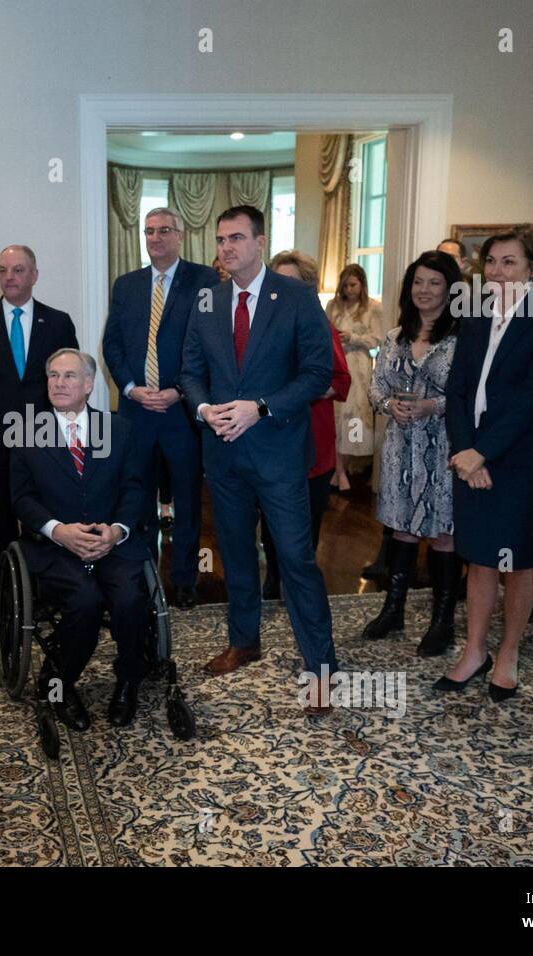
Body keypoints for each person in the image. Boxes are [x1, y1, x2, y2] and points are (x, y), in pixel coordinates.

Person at [178, 206, 337, 713]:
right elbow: (190, 370)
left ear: (260, 241)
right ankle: (244, 641)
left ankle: (321, 669)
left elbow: (317, 374)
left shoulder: (295, 297)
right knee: (235, 553)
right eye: (221, 240)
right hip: (223, 453)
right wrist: (204, 409)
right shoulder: (207, 300)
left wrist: (261, 408)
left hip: (279, 453)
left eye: (237, 238)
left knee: (295, 559)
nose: (227, 248)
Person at [441, 225, 533, 700]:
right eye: (491, 262)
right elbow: (456, 388)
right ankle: (474, 651)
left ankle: (509, 654)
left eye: (509, 262)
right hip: (470, 456)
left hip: (522, 460)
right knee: (478, 558)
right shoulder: (474, 315)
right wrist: (465, 452)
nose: (496, 271)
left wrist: (485, 451)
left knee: (518, 562)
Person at [10, 349, 149, 728]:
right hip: (56, 547)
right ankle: (58, 683)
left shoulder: (118, 430)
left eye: (69, 376)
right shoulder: (27, 432)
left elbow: (135, 488)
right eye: (53, 375)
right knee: (85, 600)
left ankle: (127, 682)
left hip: (111, 541)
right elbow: (22, 498)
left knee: (130, 599)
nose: (59, 383)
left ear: (89, 385)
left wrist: (117, 530)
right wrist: (58, 530)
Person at [102, 207, 218, 608]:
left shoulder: (204, 280)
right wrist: (131, 389)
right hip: (136, 412)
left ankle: (184, 579)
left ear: (180, 235)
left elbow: (208, 343)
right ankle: (144, 577)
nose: (155, 238)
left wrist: (180, 391)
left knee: (187, 499)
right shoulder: (127, 284)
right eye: (149, 231)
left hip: (181, 411)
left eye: (164, 230)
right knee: (137, 498)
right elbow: (112, 344)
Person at [0, 245, 79, 572]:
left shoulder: (59, 322)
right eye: (3, 270)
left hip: (45, 445)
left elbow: (73, 384)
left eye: (18, 270)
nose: (9, 277)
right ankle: (10, 605)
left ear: (34, 275)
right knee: (2, 529)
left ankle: (46, 594)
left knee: (44, 527)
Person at [363, 251, 462, 655]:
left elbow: (470, 396)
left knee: (442, 535)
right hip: (401, 448)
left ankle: (443, 621)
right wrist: (389, 406)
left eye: (434, 282)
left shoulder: (463, 339)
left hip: (444, 449)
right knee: (401, 528)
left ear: (450, 288)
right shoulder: (393, 337)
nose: (424, 290)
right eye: (418, 282)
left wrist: (431, 406)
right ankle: (394, 608)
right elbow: (375, 388)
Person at [260, 250, 350, 601]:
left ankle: (299, 582)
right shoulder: (260, 325)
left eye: (291, 282)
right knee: (269, 516)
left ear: (307, 288)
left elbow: (340, 381)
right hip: (269, 437)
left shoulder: (320, 325)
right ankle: (274, 576)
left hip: (311, 438)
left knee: (307, 518)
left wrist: (296, 392)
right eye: (277, 281)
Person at [326, 263, 385, 491]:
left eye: (353, 285)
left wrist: (352, 337)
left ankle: (343, 468)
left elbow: (378, 339)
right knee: (336, 416)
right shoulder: (333, 306)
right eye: (346, 285)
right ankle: (339, 472)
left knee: (354, 419)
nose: (349, 290)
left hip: (359, 368)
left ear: (362, 285)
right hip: (337, 364)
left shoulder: (372, 307)